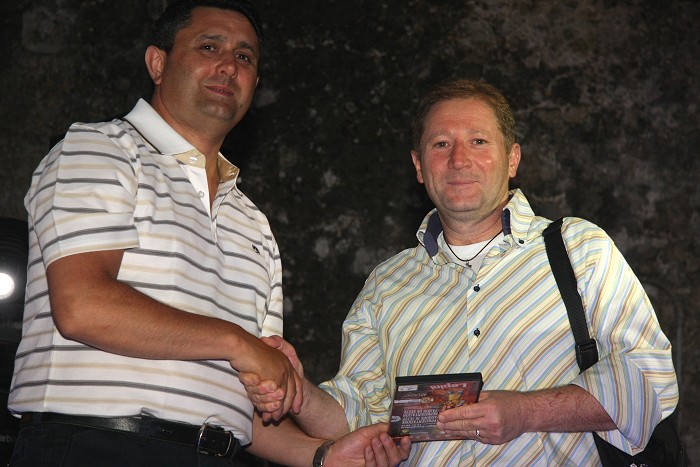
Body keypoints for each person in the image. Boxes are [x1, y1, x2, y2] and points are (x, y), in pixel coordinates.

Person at [7, 1, 409, 466]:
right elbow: (83, 307)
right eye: (209, 47)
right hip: (97, 444)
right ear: (158, 63)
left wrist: (323, 456)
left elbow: (243, 401)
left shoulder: (253, 222)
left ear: (255, 84)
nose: (229, 66)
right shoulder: (99, 149)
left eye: (245, 57)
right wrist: (237, 342)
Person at [247, 79, 679, 465]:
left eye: (478, 141)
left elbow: (649, 379)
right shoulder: (386, 284)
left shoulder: (579, 249)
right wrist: (297, 389)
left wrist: (525, 412)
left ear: (512, 159)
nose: (458, 159)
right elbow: (357, 416)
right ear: (419, 166)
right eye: (440, 144)